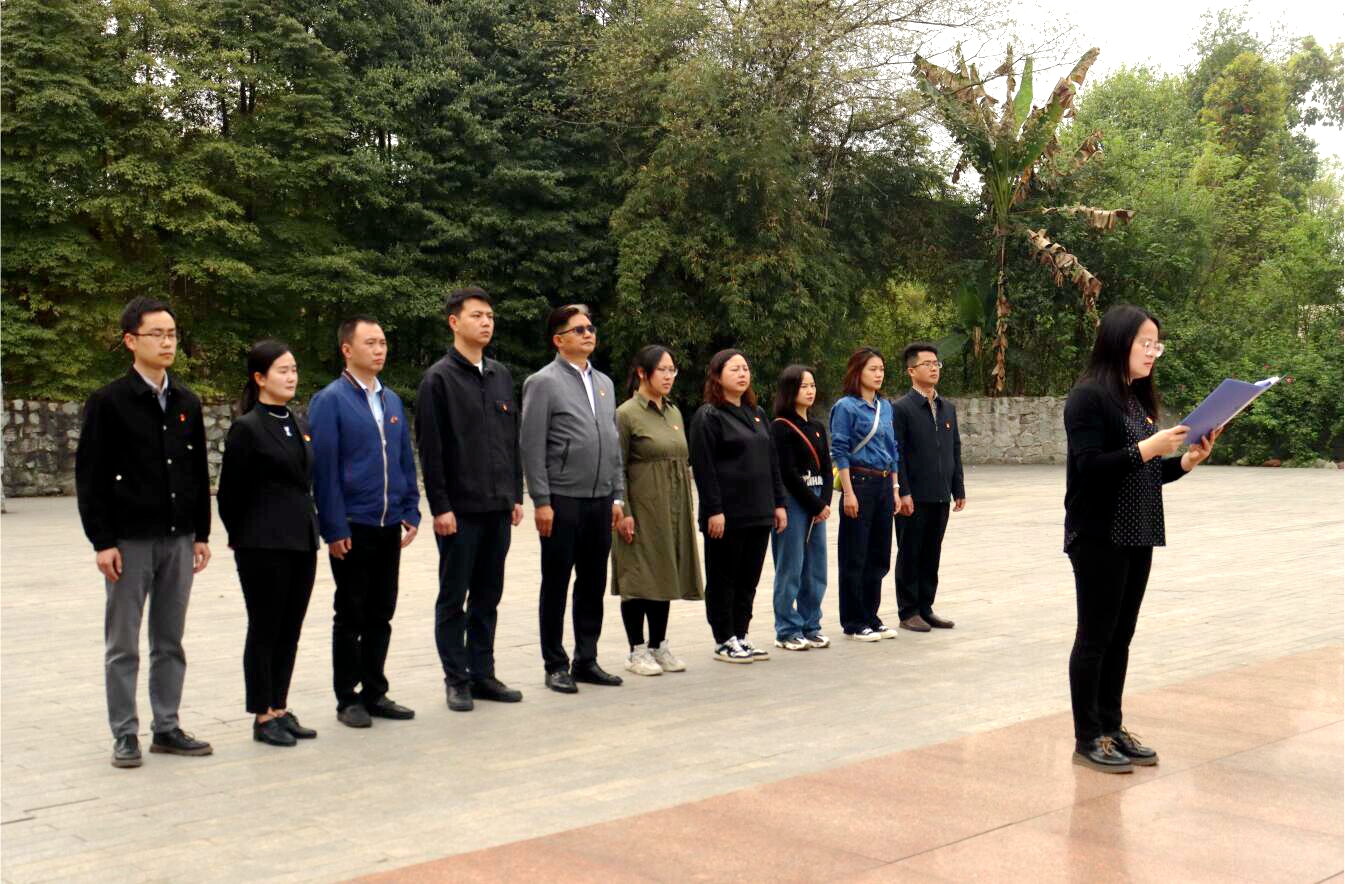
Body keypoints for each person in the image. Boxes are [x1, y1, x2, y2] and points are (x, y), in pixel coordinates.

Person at [1064, 305, 1219, 774]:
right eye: (1144, 344)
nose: (1152, 353)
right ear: (1118, 343)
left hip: (1138, 530)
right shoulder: (1088, 397)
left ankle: (1112, 727)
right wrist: (1149, 447)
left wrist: (1185, 461)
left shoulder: (1136, 399)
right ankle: (1088, 736)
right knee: (1095, 637)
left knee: (1121, 635)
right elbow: (1090, 468)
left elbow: (1145, 473)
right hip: (1099, 533)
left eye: (1157, 345)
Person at [76, 296, 214, 769]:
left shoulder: (186, 402)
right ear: (131, 340)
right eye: (157, 334)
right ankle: (125, 733)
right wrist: (103, 542)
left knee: (169, 638)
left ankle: (167, 726)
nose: (167, 342)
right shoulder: (108, 402)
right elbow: (90, 477)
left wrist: (201, 533)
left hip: (178, 538)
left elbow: (197, 471)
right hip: (129, 541)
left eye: (172, 334)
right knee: (123, 643)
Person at [416, 287, 526, 711]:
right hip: (459, 511)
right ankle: (456, 679)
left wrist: (515, 493)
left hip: (498, 507)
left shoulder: (500, 375)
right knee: (453, 598)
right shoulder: (438, 380)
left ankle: (483, 673)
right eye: (477, 315)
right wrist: (440, 507)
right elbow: (432, 449)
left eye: (490, 316)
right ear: (454, 322)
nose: (485, 323)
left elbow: (510, 440)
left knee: (487, 596)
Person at [309, 316, 421, 728]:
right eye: (370, 342)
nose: (379, 350)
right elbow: (324, 471)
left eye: (383, 342)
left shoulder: (390, 400)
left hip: (388, 522)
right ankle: (348, 697)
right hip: (353, 524)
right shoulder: (330, 400)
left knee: (381, 611)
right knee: (351, 612)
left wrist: (411, 509)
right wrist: (334, 527)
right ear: (347, 349)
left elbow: (404, 459)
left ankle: (375, 691)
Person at [217, 340, 321, 747]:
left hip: (301, 539)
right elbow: (230, 495)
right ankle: (262, 714)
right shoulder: (248, 428)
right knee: (265, 627)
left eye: (293, 369)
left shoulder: (296, 421)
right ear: (260, 378)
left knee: (290, 627)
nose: (291, 377)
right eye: (282, 370)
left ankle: (279, 705)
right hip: (263, 544)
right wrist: (245, 536)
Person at [520, 304, 626, 693]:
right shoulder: (543, 382)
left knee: (593, 582)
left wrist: (618, 495)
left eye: (590, 328)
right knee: (556, 582)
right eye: (578, 329)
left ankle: (586, 658)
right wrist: (541, 500)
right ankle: (554, 663)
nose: (588, 334)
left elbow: (612, 442)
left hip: (601, 498)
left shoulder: (604, 382)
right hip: (563, 498)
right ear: (558, 339)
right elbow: (531, 445)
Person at [689, 349, 788, 664]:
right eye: (734, 369)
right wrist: (713, 509)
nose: (742, 374)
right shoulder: (709, 416)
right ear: (717, 376)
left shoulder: (757, 413)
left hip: (759, 510)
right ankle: (724, 638)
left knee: (748, 578)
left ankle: (741, 634)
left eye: (745, 368)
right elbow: (704, 468)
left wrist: (778, 503)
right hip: (727, 514)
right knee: (724, 579)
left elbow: (772, 462)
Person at [612, 345, 703, 677]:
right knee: (638, 576)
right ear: (642, 373)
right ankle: (636, 650)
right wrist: (623, 509)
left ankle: (658, 644)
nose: (668, 376)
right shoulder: (626, 414)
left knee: (664, 572)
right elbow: (617, 465)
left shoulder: (673, 412)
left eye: (672, 370)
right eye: (662, 370)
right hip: (641, 507)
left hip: (672, 506)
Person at [829, 347, 902, 642]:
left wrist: (895, 488)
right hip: (858, 482)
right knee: (854, 555)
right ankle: (853, 620)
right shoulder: (845, 407)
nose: (879, 374)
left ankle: (872, 615)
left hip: (883, 484)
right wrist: (848, 493)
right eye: (873, 369)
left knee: (879, 555)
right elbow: (840, 450)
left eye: (882, 369)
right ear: (858, 372)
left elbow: (892, 449)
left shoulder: (886, 407)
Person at [892, 342, 965, 633]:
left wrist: (958, 488)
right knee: (910, 552)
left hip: (940, 493)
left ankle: (926, 607)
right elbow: (897, 453)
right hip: (914, 495)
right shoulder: (901, 409)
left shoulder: (947, 408)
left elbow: (954, 448)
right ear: (911, 371)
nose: (934, 368)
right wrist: (903, 491)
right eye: (927, 364)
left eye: (937, 363)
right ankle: (908, 611)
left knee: (932, 552)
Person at [769, 365, 833, 651]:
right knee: (790, 567)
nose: (810, 391)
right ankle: (786, 629)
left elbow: (827, 467)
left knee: (815, 568)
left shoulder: (817, 427)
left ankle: (811, 625)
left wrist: (825, 502)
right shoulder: (780, 426)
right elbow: (787, 473)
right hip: (794, 500)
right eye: (803, 386)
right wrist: (815, 504)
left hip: (818, 500)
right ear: (790, 390)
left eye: (812, 385)